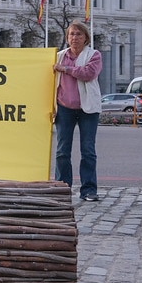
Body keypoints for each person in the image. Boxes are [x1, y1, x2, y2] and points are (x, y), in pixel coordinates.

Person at [53, 20, 102, 201]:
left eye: (79, 34)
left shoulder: (94, 55)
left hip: (87, 109)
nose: (75, 37)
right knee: (62, 151)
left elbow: (88, 74)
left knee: (88, 150)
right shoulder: (58, 56)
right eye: (72, 34)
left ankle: (88, 189)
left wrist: (65, 69)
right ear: (67, 38)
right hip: (64, 107)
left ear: (86, 38)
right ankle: (62, 188)